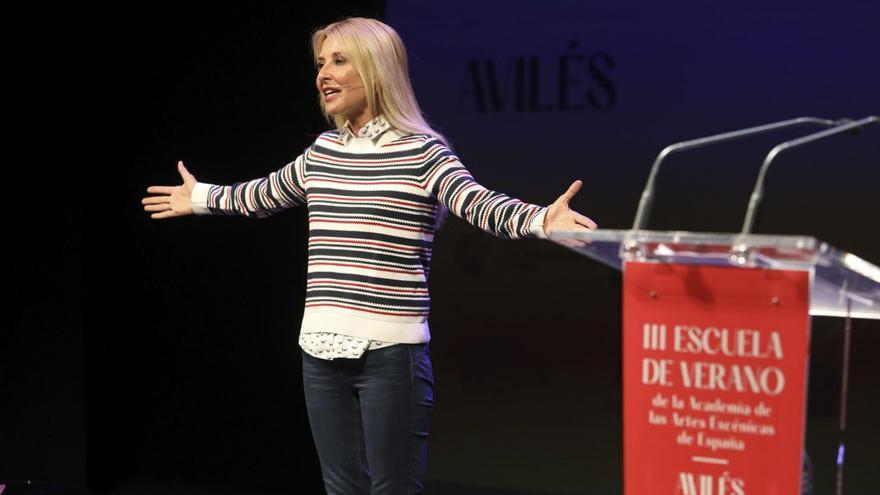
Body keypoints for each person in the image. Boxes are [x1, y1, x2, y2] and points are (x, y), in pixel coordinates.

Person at [142, 16, 597, 495]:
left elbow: (478, 204)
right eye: (320, 63)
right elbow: (261, 195)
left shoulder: (422, 152)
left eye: (340, 60)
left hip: (390, 357)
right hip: (318, 350)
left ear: (377, 69)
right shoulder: (322, 151)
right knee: (340, 489)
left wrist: (542, 219)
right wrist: (200, 198)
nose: (324, 74)